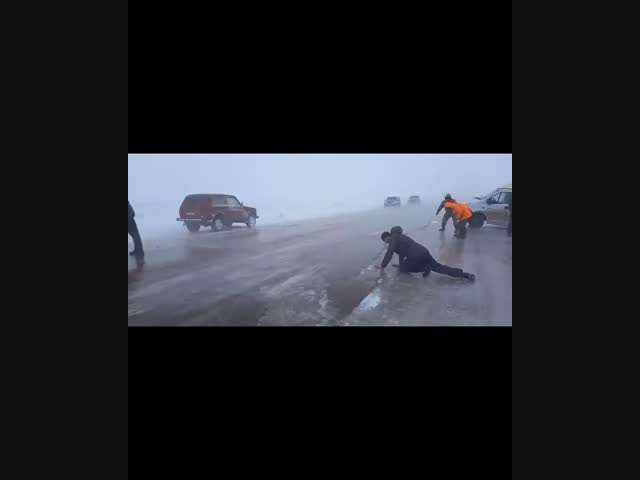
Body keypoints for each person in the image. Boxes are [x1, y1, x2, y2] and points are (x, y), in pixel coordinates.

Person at [377, 229, 475, 280]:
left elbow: (389, 255)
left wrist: (382, 266)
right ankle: (465, 275)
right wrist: (401, 264)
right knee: (438, 267)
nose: (388, 243)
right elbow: (402, 253)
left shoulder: (393, 240)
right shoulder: (400, 236)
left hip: (416, 256)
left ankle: (425, 268)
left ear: (389, 236)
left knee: (403, 269)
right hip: (423, 251)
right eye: (387, 242)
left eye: (387, 240)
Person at [128, 201, 145, 265]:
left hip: (130, 223)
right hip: (130, 222)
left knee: (136, 237)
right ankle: (136, 250)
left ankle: (140, 252)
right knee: (135, 237)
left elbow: (132, 213)